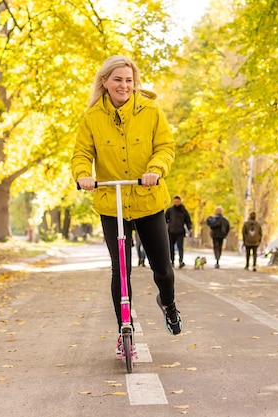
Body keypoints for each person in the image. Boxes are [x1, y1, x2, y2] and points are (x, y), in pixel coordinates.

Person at [71, 55, 183, 356]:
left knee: (162, 267)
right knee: (120, 269)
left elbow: (165, 146)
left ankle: (168, 303)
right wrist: (83, 175)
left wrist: (156, 169)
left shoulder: (151, 111)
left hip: (148, 200)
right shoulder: (92, 117)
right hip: (112, 203)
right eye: (118, 79)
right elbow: (81, 153)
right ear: (105, 82)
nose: (124, 85)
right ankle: (125, 328)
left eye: (129, 80)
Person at [165, 195, 193, 268]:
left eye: (178, 201)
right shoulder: (170, 210)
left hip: (180, 232)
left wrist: (190, 228)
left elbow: (188, 221)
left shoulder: (184, 210)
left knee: (180, 247)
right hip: (171, 231)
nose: (176, 203)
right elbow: (164, 219)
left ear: (180, 201)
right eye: (175, 201)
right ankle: (172, 261)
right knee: (171, 247)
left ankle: (181, 261)